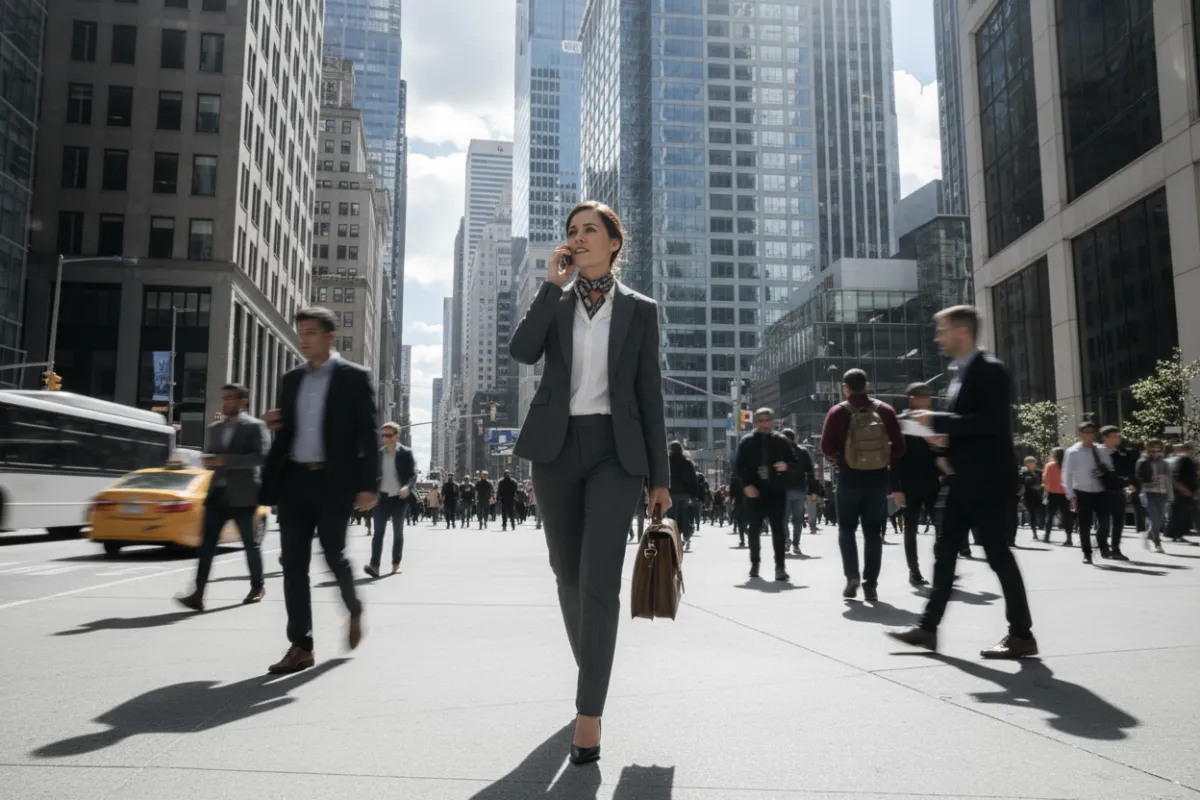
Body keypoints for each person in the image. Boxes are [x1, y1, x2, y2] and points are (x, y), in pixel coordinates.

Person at [508, 200, 670, 765]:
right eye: (571, 232)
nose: (577, 239)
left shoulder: (641, 311)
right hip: (554, 451)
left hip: (615, 455)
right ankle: (593, 675)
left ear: (614, 243)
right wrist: (550, 287)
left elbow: (650, 396)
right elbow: (522, 352)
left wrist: (660, 477)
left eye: (589, 231)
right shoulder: (555, 302)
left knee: (600, 583)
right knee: (567, 574)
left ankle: (589, 716)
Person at [887, 305, 1036, 659]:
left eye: (942, 330)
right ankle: (927, 629)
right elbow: (967, 426)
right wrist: (940, 438)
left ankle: (1021, 635)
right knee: (944, 553)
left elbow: (992, 422)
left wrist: (937, 420)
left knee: (998, 555)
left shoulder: (991, 371)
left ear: (963, 330)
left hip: (986, 480)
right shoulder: (958, 375)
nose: (937, 338)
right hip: (961, 479)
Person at [259, 307, 378, 675]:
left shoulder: (354, 378)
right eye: (301, 332)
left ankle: (353, 607)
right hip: (296, 480)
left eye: (311, 332)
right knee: (292, 564)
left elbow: (368, 433)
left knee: (332, 555)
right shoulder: (291, 379)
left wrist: (368, 485)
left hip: (333, 483)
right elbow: (287, 433)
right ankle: (301, 645)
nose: (303, 338)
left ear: (330, 336)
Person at [176, 384, 268, 611]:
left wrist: (226, 460)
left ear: (242, 402)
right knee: (207, 546)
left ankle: (257, 586)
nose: (225, 402)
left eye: (230, 398)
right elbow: (212, 455)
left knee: (250, 544)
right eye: (224, 398)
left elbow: (261, 457)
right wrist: (208, 460)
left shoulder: (256, 427)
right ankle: (198, 593)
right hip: (217, 494)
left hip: (243, 495)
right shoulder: (214, 427)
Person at [819, 368, 905, 601]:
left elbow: (825, 448)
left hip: (848, 477)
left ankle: (852, 577)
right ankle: (871, 584)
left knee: (846, 529)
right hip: (877, 479)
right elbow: (899, 448)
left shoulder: (838, 412)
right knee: (873, 533)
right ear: (866, 385)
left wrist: (841, 460)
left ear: (845, 388)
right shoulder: (885, 411)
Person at [734, 408, 796, 581]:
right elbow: (739, 467)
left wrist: (787, 466)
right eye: (760, 421)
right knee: (754, 529)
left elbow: (795, 463)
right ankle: (755, 564)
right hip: (754, 491)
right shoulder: (746, 442)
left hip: (776, 490)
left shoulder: (782, 441)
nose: (764, 424)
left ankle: (780, 567)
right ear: (755, 422)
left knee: (778, 528)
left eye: (767, 420)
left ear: (773, 422)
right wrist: (746, 486)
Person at [895, 382, 942, 587]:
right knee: (911, 528)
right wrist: (896, 488)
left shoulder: (935, 420)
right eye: (923, 397)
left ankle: (943, 565)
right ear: (911, 399)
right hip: (908, 483)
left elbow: (943, 451)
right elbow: (894, 457)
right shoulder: (901, 422)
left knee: (942, 527)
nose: (927, 400)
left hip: (933, 481)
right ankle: (914, 571)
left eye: (929, 397)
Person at [365, 422, 415, 578]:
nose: (386, 438)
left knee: (398, 533)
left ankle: (396, 564)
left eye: (389, 435)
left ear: (397, 436)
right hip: (382, 499)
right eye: (383, 435)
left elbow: (412, 475)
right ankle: (374, 566)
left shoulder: (406, 453)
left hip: (399, 499)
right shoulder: (378, 454)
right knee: (378, 533)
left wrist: (407, 487)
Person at [1062, 421, 1114, 564]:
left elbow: (1109, 467)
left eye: (1091, 432)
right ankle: (1087, 553)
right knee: (1084, 525)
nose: (1089, 435)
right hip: (1082, 491)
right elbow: (1067, 474)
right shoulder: (1072, 452)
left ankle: (1103, 545)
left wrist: (1101, 472)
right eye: (1085, 432)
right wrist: (1069, 493)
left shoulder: (1100, 450)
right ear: (1080, 434)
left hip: (1101, 491)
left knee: (1104, 523)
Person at [779, 429, 817, 556]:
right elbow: (810, 472)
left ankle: (786, 540)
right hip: (800, 490)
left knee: (783, 519)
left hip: (784, 491)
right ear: (794, 438)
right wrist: (812, 490)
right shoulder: (803, 452)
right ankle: (796, 544)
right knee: (798, 520)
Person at [1099, 425, 1133, 561]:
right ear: (1105, 438)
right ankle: (1103, 548)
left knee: (1118, 522)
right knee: (1103, 523)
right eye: (1114, 436)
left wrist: (1129, 485)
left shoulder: (1122, 455)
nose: (1117, 439)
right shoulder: (1097, 455)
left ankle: (1116, 548)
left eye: (1118, 436)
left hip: (1119, 492)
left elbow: (1128, 473)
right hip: (1102, 493)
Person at [1136, 438, 1172, 552]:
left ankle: (1151, 534)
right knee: (1155, 519)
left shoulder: (1165, 463)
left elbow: (1169, 480)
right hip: (1149, 493)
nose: (1155, 453)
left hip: (1163, 493)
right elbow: (1138, 478)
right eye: (1152, 451)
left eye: (1158, 450)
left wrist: (1171, 495)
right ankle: (1157, 542)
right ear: (1147, 450)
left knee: (1161, 520)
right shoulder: (1143, 462)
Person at [667, 441, 699, 551]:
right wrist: (694, 494)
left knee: (672, 517)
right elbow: (693, 479)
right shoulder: (687, 462)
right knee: (684, 515)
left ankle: (673, 537)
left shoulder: (668, 462)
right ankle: (685, 535)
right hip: (685, 493)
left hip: (671, 493)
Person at [1041, 448, 1073, 545]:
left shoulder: (1049, 466)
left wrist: (1045, 493)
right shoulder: (1067, 466)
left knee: (1050, 516)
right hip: (1065, 494)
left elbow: (1047, 481)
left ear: (1054, 455)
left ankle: (1047, 536)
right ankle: (1069, 538)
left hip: (1053, 494)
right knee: (1067, 517)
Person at [1167, 442, 1197, 542]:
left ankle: (1174, 534)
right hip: (1183, 490)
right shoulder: (1184, 460)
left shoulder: (1178, 460)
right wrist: (1183, 489)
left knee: (1178, 512)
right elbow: (1178, 475)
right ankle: (1176, 534)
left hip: (1181, 490)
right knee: (1180, 513)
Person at [1018, 456, 1044, 536]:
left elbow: (1044, 481)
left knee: (1043, 511)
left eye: (1035, 463)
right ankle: (1034, 532)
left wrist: (1040, 486)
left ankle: (1041, 526)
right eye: (1033, 463)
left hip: (1039, 496)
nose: (1035, 464)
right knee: (1032, 514)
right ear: (1027, 464)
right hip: (1028, 497)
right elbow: (1022, 484)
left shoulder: (1040, 472)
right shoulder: (1023, 473)